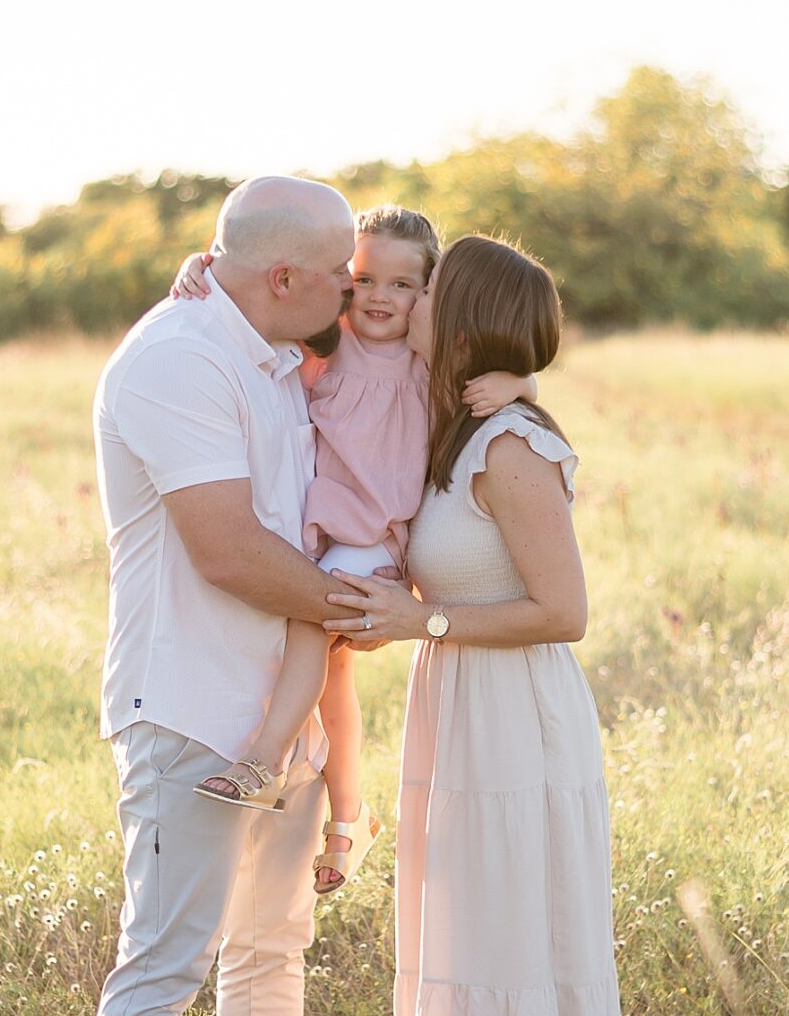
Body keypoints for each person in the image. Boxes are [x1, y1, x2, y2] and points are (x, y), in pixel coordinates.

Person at [90, 174, 368, 1016]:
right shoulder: (175, 360)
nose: (354, 291)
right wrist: (364, 609)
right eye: (339, 273)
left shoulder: (271, 345)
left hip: (283, 715)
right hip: (193, 715)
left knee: (268, 954)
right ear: (286, 276)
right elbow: (229, 551)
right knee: (161, 969)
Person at [326, 234, 629, 1016]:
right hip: (455, 709)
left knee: (512, 949)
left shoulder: (510, 447)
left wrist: (425, 624)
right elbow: (337, 338)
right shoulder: (450, 420)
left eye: (427, 293)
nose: (402, 302)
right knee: (457, 947)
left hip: (514, 717)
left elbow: (564, 610)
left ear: (458, 319)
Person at [173, 207, 531, 894]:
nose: (378, 298)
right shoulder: (327, 341)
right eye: (365, 278)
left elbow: (521, 373)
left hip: (374, 540)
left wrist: (520, 385)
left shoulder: (432, 359)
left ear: (430, 292)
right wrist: (201, 271)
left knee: (313, 621)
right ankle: (348, 817)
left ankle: (263, 760)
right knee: (329, 679)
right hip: (320, 531)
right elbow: (252, 305)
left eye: (403, 285)